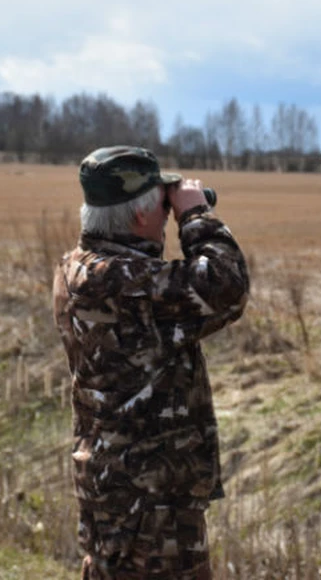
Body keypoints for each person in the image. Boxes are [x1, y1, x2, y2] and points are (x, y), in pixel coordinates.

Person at [53, 146, 250, 579]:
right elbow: (226, 286)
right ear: (141, 216)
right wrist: (196, 217)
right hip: (149, 503)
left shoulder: (79, 268)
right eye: (164, 208)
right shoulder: (121, 283)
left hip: (121, 491)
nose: (167, 217)